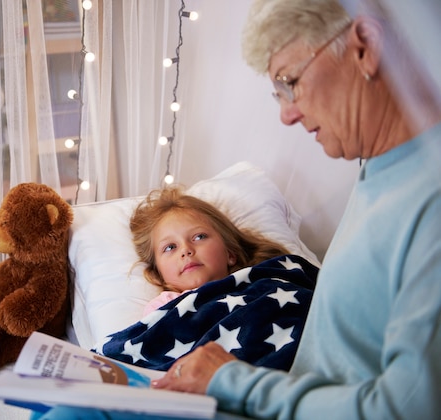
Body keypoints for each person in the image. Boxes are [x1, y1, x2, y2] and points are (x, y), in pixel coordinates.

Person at [37, 0, 441, 418]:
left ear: (365, 47)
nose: (287, 114)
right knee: (70, 403)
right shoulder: (379, 171)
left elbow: (406, 408)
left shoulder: (428, 201)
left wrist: (231, 380)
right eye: (278, 92)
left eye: (290, 82)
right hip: (281, 397)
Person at [130, 187, 289, 316]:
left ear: (230, 254)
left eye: (199, 237)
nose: (186, 250)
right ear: (158, 273)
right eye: (170, 247)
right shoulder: (164, 307)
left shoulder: (264, 280)